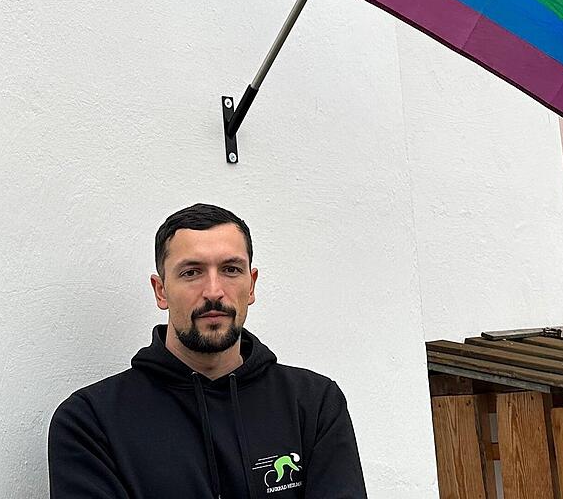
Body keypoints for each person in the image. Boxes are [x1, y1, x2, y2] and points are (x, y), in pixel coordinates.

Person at [48, 204, 367, 498]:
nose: (214, 291)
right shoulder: (91, 422)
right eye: (191, 272)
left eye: (231, 270)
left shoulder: (313, 404)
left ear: (251, 285)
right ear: (161, 290)